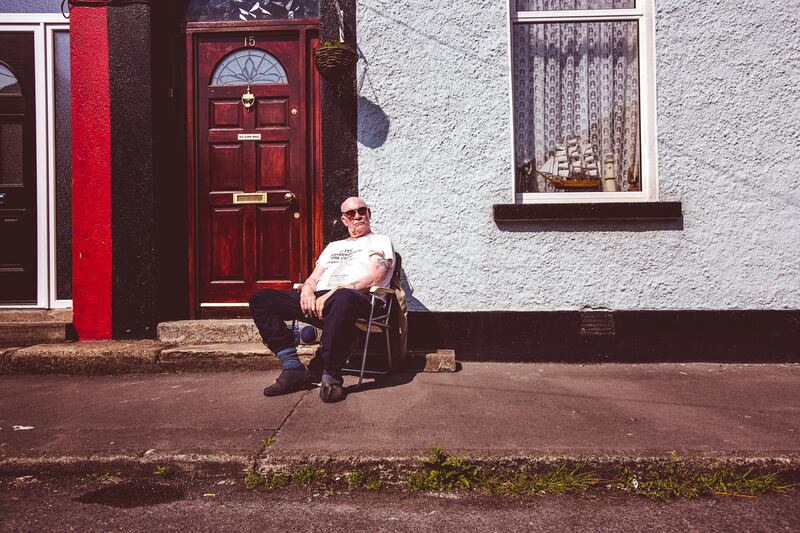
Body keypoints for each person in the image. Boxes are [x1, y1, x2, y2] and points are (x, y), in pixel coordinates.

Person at [249, 197, 395, 403]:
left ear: (369, 214)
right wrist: (308, 290)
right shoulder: (334, 246)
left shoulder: (379, 241)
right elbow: (314, 277)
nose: (357, 216)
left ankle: (331, 375)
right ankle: (292, 368)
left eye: (362, 211)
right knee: (262, 299)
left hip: (360, 298)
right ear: (344, 220)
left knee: (342, 298)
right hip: (322, 299)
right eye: (351, 213)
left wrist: (335, 291)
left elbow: (375, 277)